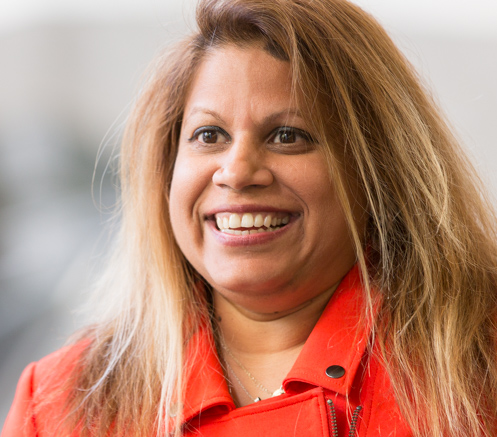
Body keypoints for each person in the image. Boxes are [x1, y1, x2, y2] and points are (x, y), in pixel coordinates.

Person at [3, 0, 497, 436]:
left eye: (287, 136)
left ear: (378, 172)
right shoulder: (62, 404)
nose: (236, 172)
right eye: (209, 135)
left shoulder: (482, 368)